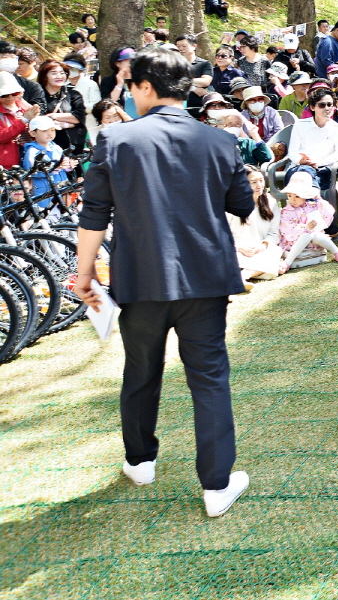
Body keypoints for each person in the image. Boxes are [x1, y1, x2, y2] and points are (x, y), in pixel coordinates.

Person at [74, 48, 256, 518]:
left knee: (140, 370)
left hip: (141, 277)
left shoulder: (115, 138)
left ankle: (140, 461)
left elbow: (94, 213)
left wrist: (84, 272)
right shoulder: (218, 140)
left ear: (144, 87)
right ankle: (216, 484)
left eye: (131, 86)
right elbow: (242, 203)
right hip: (205, 278)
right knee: (209, 378)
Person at [285, 88, 338, 205]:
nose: (327, 108)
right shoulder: (300, 125)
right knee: (305, 171)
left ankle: (309, 207)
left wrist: (317, 163)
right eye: (322, 105)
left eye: (330, 104)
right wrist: (301, 161)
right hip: (298, 169)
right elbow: (292, 152)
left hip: (322, 170)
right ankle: (315, 206)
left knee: (305, 176)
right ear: (312, 107)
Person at [276, 172, 338, 271]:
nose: (292, 200)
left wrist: (319, 199)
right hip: (295, 242)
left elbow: (328, 214)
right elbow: (287, 232)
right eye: (289, 196)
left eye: (297, 196)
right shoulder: (286, 211)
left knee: (316, 235)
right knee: (307, 235)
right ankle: (287, 262)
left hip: (314, 241)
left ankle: (337, 252)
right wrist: (306, 228)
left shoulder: (313, 206)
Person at [232, 167, 282, 283]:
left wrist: (263, 245)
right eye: (253, 182)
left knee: (275, 251)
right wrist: (240, 248)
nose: (259, 185)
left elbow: (274, 232)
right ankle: (255, 271)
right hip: (238, 250)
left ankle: (244, 275)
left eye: (261, 180)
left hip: (260, 250)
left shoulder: (270, 201)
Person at [35, 59, 87, 152]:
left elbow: (80, 117)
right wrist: (70, 123)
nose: (59, 76)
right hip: (48, 146)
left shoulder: (73, 94)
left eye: (62, 73)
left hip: (74, 144)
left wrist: (53, 116)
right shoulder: (37, 95)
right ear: (44, 76)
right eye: (54, 73)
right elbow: (40, 120)